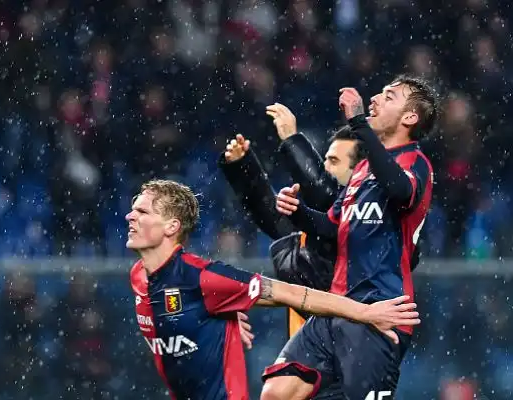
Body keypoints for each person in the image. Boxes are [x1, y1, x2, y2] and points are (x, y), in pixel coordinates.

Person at [128, 179, 420, 400]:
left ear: (171, 226)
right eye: (132, 209)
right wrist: (219, 322)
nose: (130, 217)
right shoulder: (139, 275)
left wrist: (366, 312)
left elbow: (294, 294)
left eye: (141, 211)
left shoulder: (204, 278)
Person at [264, 75, 438, 399]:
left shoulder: (416, 164)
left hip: (380, 316)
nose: (375, 99)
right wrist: (297, 211)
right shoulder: (361, 171)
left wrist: (359, 123)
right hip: (337, 308)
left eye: (389, 96)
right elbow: (333, 226)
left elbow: (399, 190)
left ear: (410, 117)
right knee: (277, 392)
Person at [219, 121, 365, 337]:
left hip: (345, 346)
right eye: (324, 159)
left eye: (333, 161)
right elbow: (272, 216)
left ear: (359, 173)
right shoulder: (315, 223)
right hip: (307, 346)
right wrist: (243, 167)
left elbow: (323, 194)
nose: (324, 167)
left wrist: (291, 138)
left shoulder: (359, 223)